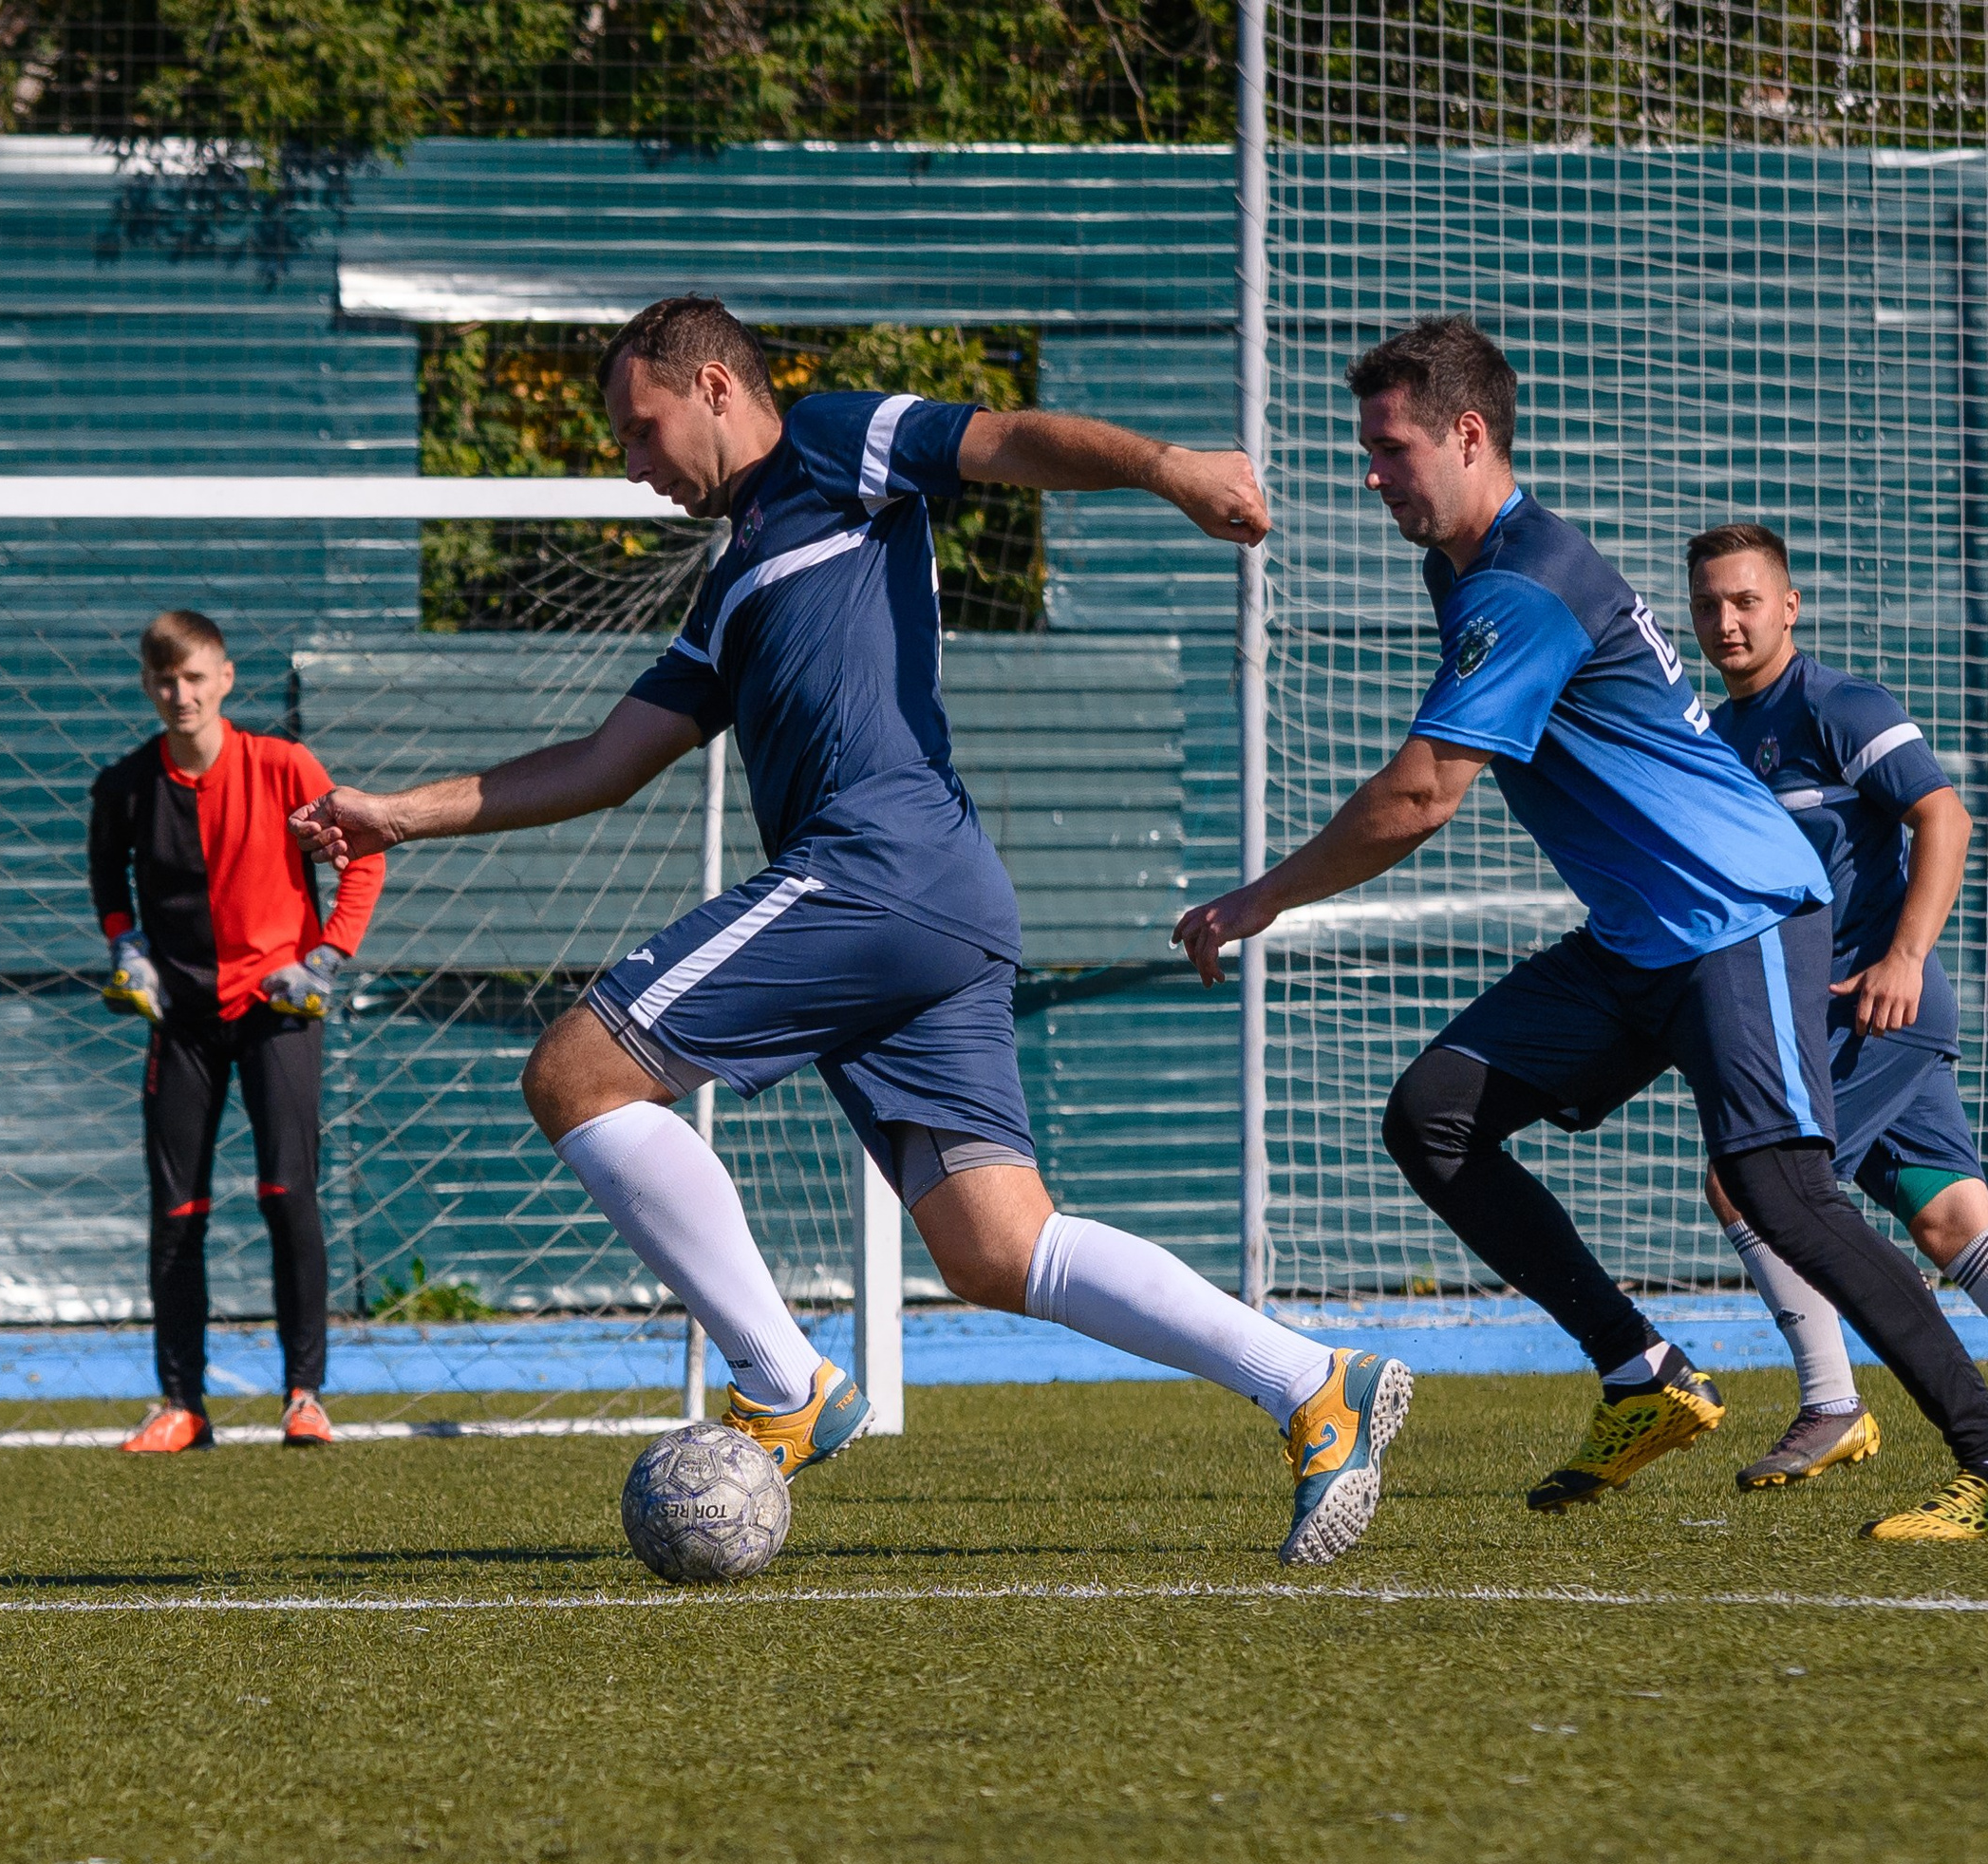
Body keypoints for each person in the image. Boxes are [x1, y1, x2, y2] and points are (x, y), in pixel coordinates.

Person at [291, 292, 1410, 1565]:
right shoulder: (731, 587)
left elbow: (1004, 439)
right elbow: (606, 764)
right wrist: (396, 816)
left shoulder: (828, 442)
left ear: (715, 386)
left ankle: (784, 1385)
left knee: (575, 1074)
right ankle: (1314, 1384)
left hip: (877, 870)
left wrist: (1167, 471)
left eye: (640, 426)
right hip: (937, 901)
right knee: (998, 1251)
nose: (628, 460)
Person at [1176, 314, 1988, 1541]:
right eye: (1366, 449)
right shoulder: (1463, 568)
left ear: (1467, 434)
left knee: (1784, 1190)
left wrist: (1258, 901)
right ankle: (1640, 1375)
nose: (1369, 471)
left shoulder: (1522, 580)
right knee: (1433, 1114)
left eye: (1389, 447)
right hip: (1639, 936)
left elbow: (1422, 794)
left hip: (1737, 913)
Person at [1687, 522, 1988, 1489]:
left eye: (1744, 601)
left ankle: (1831, 1405)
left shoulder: (1839, 704)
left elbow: (1943, 815)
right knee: (1949, 1220)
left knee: (1746, 1179)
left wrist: (1904, 956)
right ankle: (1835, 1406)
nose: (1726, 622)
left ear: (1788, 606)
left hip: (1875, 1004)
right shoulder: (1712, 737)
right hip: (1804, 1015)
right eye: (1707, 605)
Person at [89, 609, 384, 1453]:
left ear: (224, 678)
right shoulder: (126, 786)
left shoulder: (284, 766)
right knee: (177, 1207)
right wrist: (125, 942)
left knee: (287, 1193)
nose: (179, 694)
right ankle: (183, 1403)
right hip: (179, 1019)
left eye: (194, 677)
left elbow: (362, 853)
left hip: (276, 1012)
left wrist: (327, 956)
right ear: (148, 687)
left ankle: (305, 1396)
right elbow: (107, 870)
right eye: (163, 680)